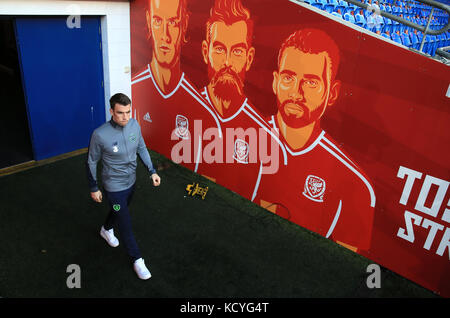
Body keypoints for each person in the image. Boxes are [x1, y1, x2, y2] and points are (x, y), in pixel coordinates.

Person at [252, 29, 376, 252]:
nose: (296, 93)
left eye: (310, 83)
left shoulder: (355, 185)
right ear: (275, 81)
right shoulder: (239, 136)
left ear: (333, 93)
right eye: (288, 78)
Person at [197, 0, 287, 200]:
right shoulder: (188, 105)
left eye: (237, 51)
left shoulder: (264, 134)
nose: (228, 62)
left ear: (249, 57)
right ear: (206, 52)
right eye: (219, 49)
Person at [131, 0, 222, 172]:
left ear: (185, 24)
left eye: (173, 23)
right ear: (149, 21)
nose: (165, 35)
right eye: (158, 21)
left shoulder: (203, 112)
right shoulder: (133, 90)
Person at [86, 93, 161, 280]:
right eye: (120, 113)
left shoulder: (134, 125)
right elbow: (91, 161)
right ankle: (137, 259)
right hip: (113, 188)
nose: (125, 117)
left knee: (119, 211)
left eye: (128, 112)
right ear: (112, 111)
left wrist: (152, 171)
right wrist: (93, 187)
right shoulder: (100, 134)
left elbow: (141, 147)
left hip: (131, 183)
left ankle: (106, 229)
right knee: (125, 222)